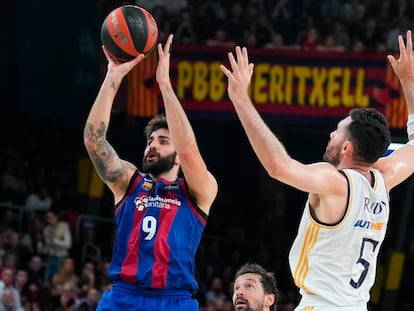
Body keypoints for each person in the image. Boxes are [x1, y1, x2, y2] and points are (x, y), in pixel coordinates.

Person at [220, 31, 414, 310]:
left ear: (347, 148)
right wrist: (408, 81)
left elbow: (278, 166)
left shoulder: (335, 181)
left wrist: (240, 100)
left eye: (336, 132)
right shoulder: (385, 178)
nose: (330, 135)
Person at [83, 34, 218, 311]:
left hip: (173, 300)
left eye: (163, 141)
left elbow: (190, 150)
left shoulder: (198, 191)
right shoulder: (129, 182)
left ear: (178, 156)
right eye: (150, 141)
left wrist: (165, 86)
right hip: (122, 296)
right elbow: (93, 142)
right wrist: (113, 76)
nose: (152, 146)